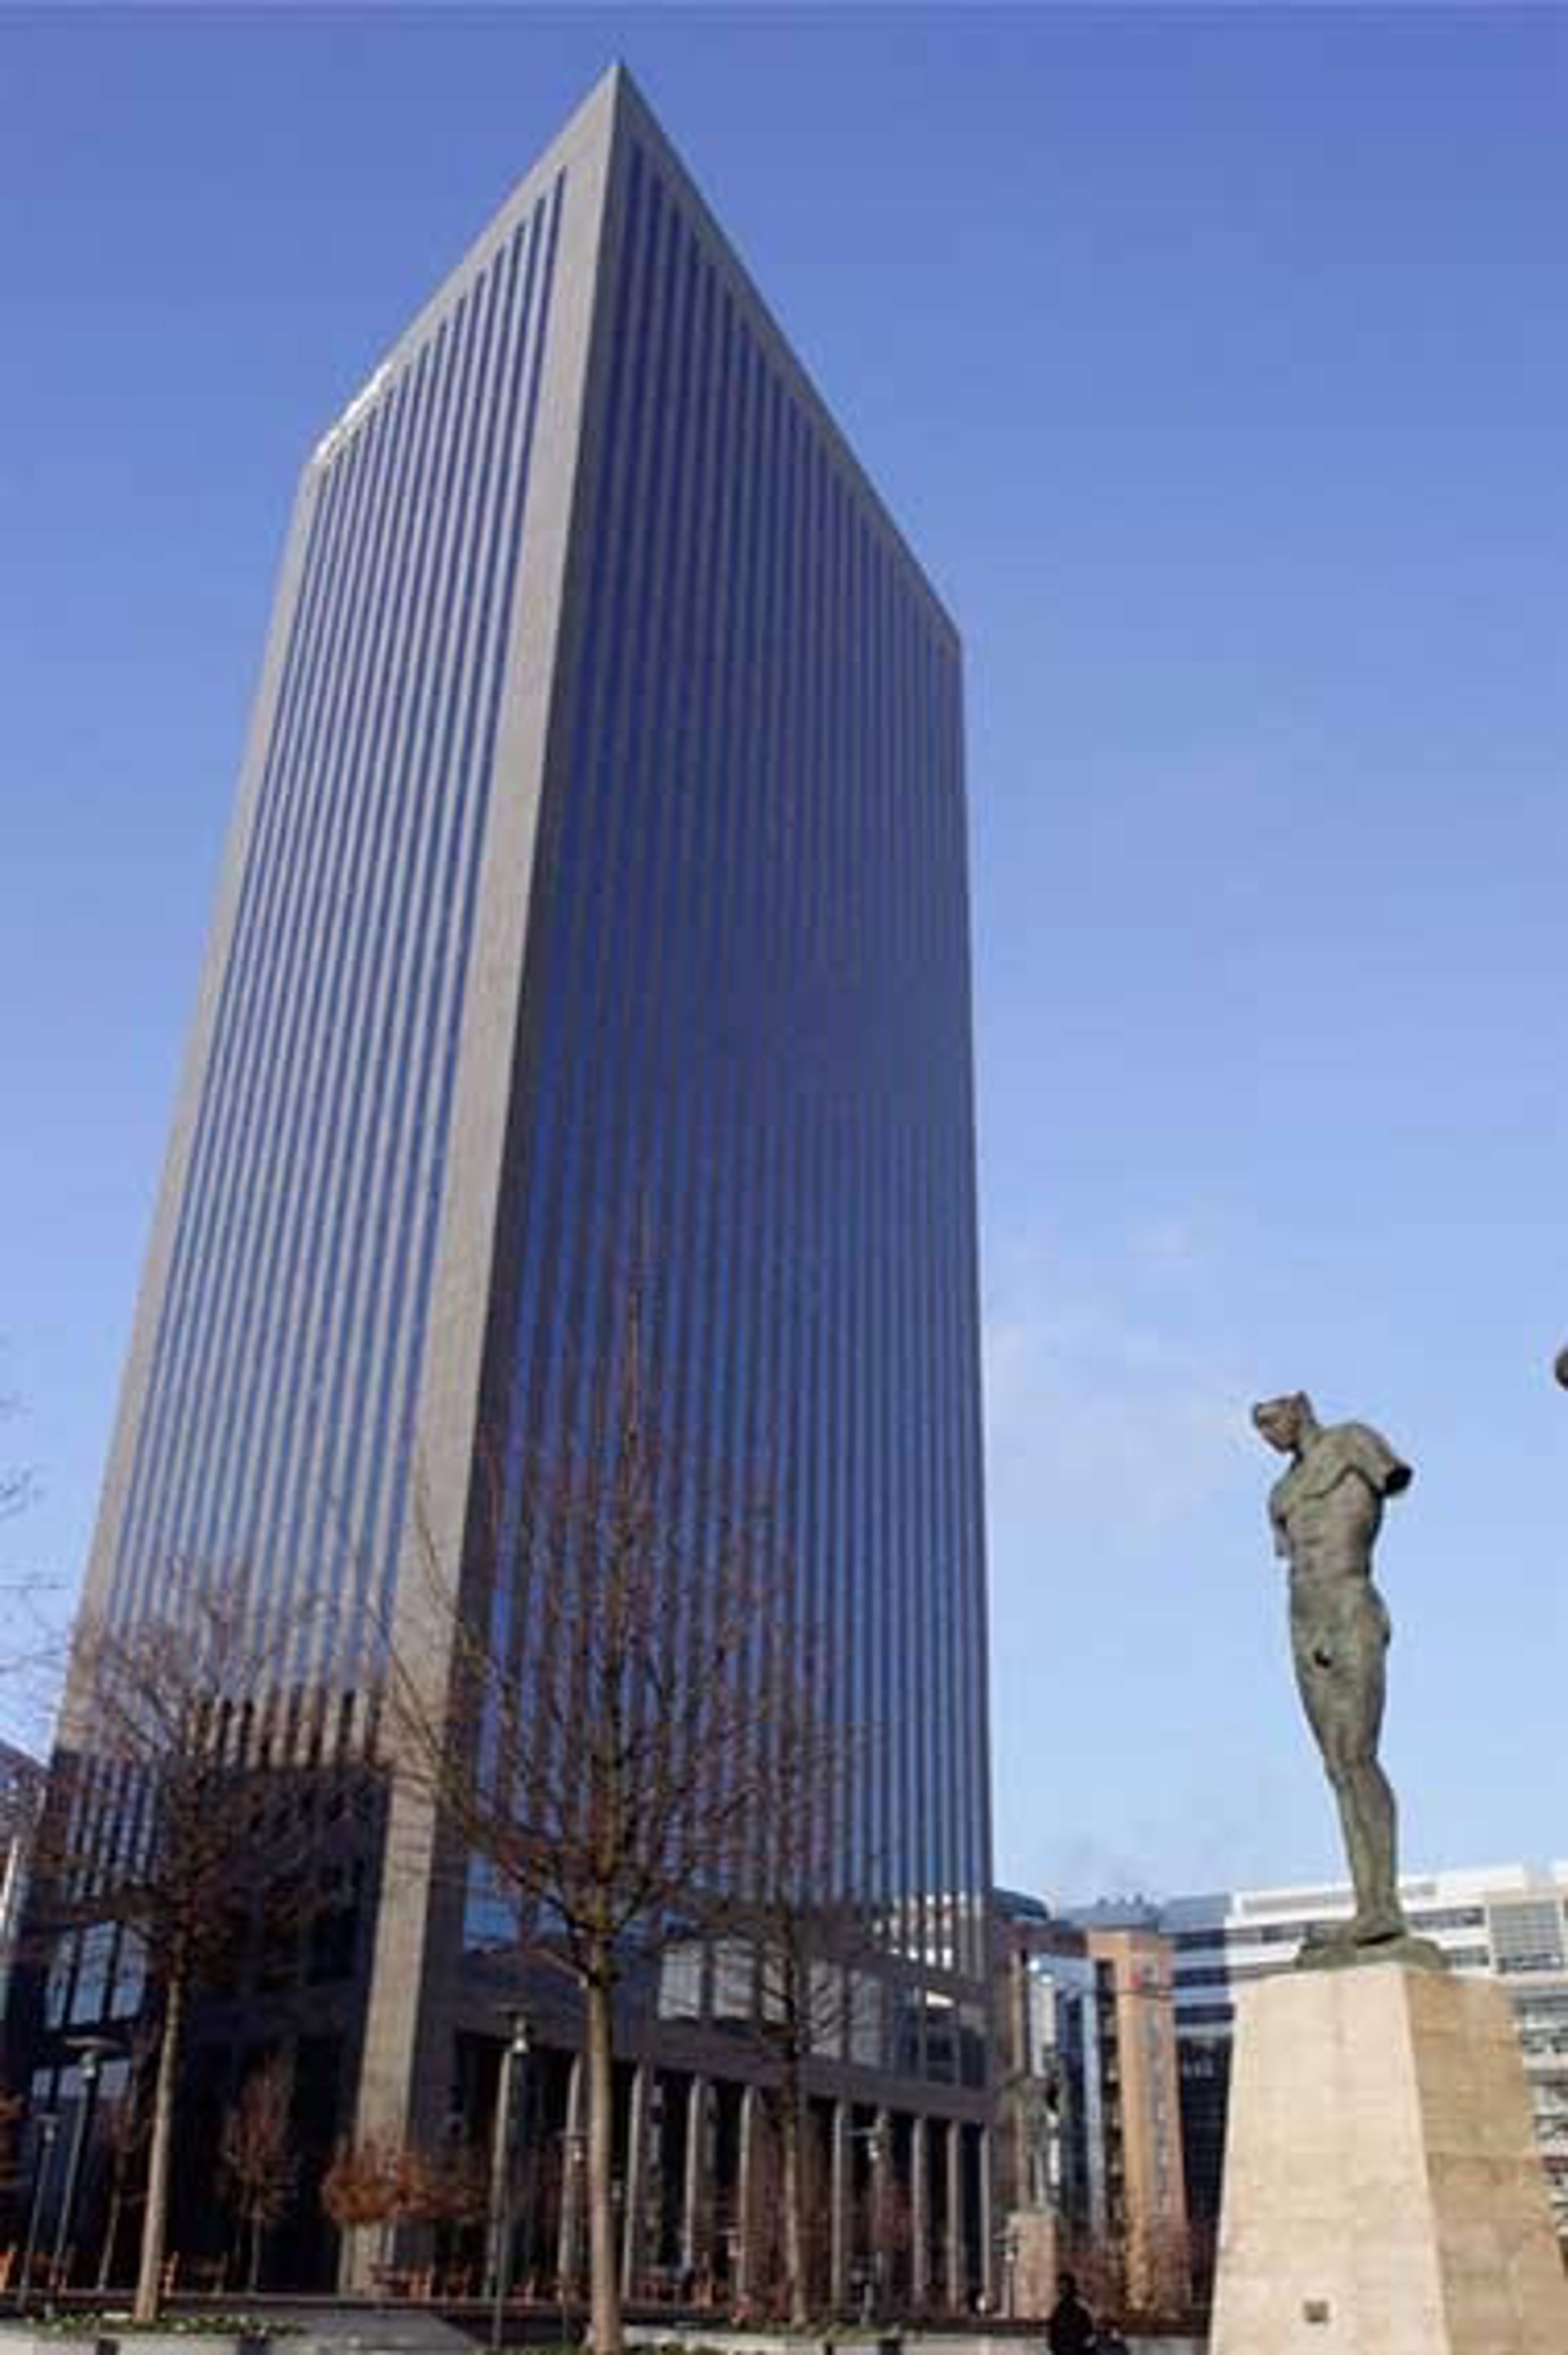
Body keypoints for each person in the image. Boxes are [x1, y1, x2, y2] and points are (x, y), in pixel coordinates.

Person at [1251, 1389, 1412, 1948]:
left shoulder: (1353, 1442)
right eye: (1260, 1429)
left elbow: (1388, 1487)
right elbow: (1292, 1560)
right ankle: (1367, 1907)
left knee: (1358, 1756)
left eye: (1273, 1421)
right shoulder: (1280, 1494)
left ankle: (1383, 1905)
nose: (1269, 1435)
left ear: (1299, 1408)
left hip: (1350, 1603)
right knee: (1337, 1766)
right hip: (1304, 1619)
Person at [1045, 2269, 1096, 2355]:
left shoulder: (1081, 2307)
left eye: (1064, 2286)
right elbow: (1053, 2333)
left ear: (1071, 2287)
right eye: (1060, 2286)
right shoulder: (1059, 2309)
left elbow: (1090, 2335)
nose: (1061, 2289)